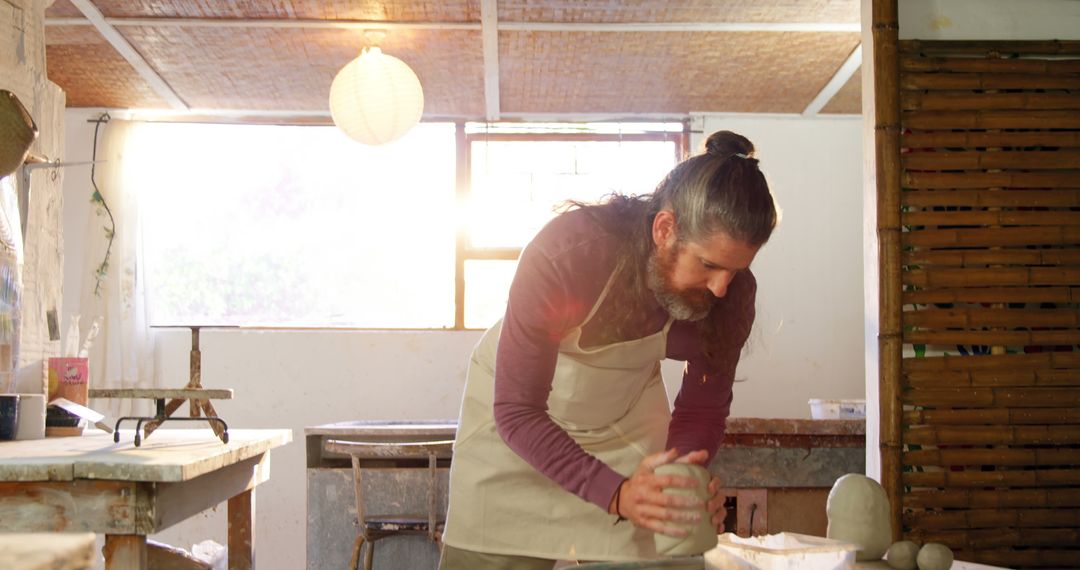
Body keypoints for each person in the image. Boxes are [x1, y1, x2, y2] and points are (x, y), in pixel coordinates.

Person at [439, 130, 779, 569]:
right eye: (709, 265)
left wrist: (680, 483)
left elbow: (701, 412)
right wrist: (615, 493)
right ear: (664, 229)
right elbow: (519, 411)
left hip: (624, 428)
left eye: (736, 269)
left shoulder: (731, 297)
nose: (720, 288)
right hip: (513, 432)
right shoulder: (568, 254)